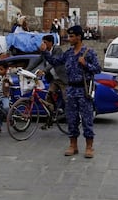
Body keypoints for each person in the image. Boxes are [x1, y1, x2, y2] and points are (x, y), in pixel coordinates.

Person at [40, 25, 101, 159]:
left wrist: (85, 64)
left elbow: (97, 69)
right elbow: (55, 61)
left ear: (79, 37)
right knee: (71, 119)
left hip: (83, 90)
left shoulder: (88, 52)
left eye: (71, 36)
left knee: (86, 119)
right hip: (71, 89)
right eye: (69, 36)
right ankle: (73, 145)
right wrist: (45, 52)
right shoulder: (68, 53)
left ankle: (89, 147)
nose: (69, 39)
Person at [28, 34, 67, 107]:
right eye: (42, 42)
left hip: (62, 79)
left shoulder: (57, 50)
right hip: (54, 79)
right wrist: (26, 70)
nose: (43, 44)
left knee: (66, 98)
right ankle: (53, 112)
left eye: (45, 42)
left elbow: (53, 63)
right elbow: (36, 62)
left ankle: (67, 114)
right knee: (49, 95)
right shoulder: (44, 52)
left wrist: (44, 71)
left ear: (51, 43)